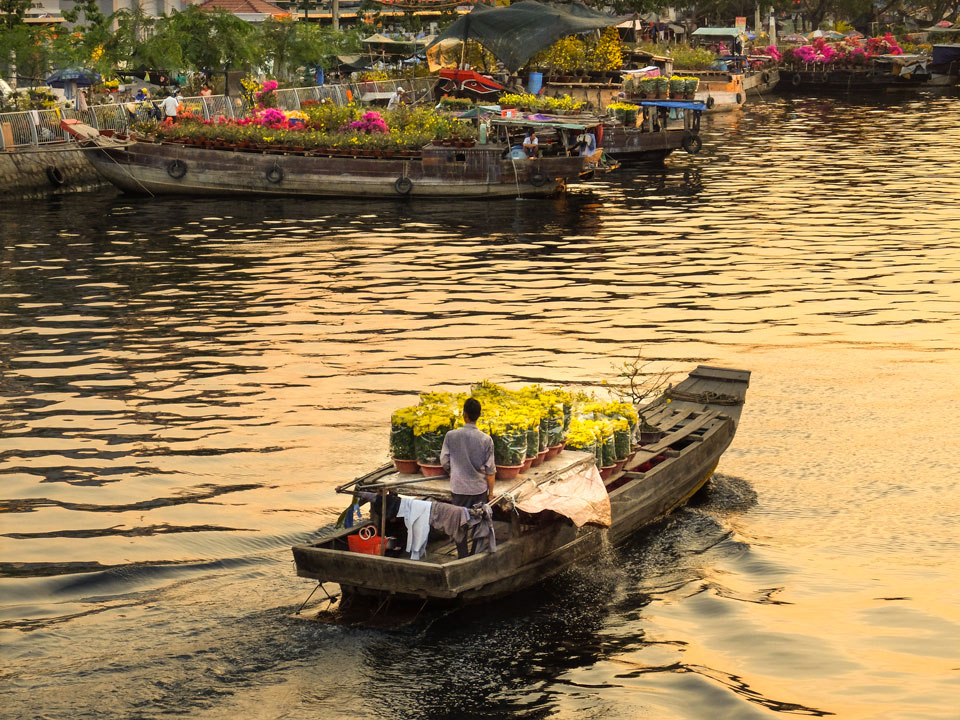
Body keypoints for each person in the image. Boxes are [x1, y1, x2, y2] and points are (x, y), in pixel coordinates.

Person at [440, 398, 495, 558]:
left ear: (464, 415)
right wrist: (490, 494)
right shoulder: (486, 439)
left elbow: (444, 461)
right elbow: (491, 470)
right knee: (479, 521)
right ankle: (475, 554)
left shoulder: (451, 436)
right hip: (478, 489)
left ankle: (462, 555)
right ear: (478, 416)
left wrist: (454, 471)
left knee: (460, 522)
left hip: (459, 488)